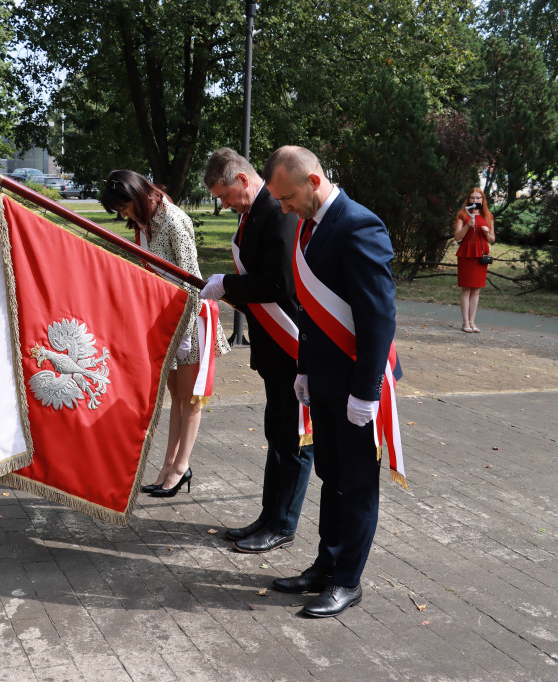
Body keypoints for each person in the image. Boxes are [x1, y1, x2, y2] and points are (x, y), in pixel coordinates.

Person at [263, 145, 400, 617]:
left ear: (314, 182)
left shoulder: (361, 224)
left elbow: (377, 317)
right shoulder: (309, 226)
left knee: (357, 482)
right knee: (331, 477)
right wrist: (302, 367)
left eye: (287, 197)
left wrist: (367, 392)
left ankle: (348, 581)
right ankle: (325, 565)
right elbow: (309, 312)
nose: (283, 208)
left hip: (355, 381)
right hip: (321, 376)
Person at [198, 148, 315, 554]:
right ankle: (269, 516)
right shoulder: (254, 212)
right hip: (272, 347)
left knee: (294, 438)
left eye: (227, 196)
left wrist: (227, 285)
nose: (225, 205)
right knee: (276, 433)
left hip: (292, 347)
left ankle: (282, 524)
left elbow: (279, 285)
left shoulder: (278, 213)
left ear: (244, 181)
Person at [101, 169, 230, 497]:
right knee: (176, 397)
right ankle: (168, 465)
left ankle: (180, 467)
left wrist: (185, 331)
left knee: (191, 399)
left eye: (125, 207)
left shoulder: (173, 220)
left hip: (191, 321)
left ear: (138, 195)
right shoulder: (147, 223)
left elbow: (190, 279)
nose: (123, 214)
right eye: (119, 210)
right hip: (167, 321)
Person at [454, 188, 496, 333]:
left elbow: (492, 239)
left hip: (481, 254)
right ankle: (465, 322)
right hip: (466, 253)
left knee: (476, 290)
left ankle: (472, 322)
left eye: (478, 198)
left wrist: (486, 232)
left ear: (483, 200)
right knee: (466, 289)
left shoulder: (488, 216)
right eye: (472, 198)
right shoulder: (462, 214)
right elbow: (457, 237)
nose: (475, 200)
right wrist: (467, 226)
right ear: (468, 199)